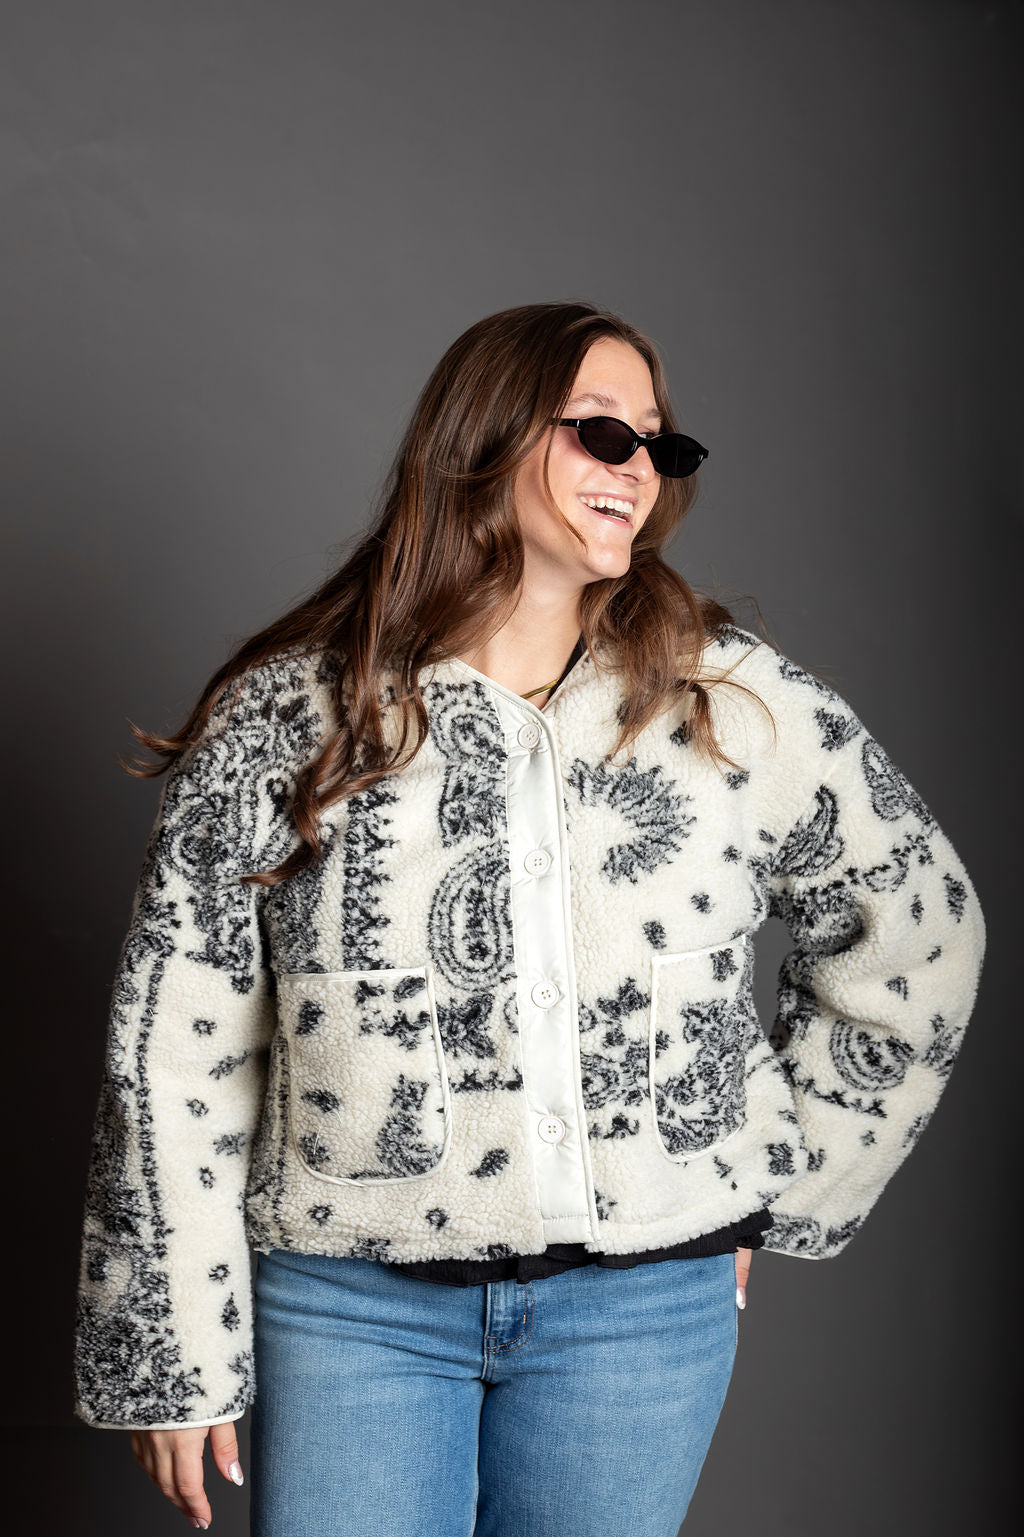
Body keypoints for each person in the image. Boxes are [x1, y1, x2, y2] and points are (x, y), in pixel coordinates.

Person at [73, 301, 986, 1536]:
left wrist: (775, 1179)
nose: (638, 469)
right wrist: (173, 1344)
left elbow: (919, 930)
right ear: (484, 436)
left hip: (641, 1316)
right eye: (603, 431)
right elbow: (173, 1048)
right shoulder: (291, 716)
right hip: (350, 1307)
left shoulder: (728, 700)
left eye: (660, 445)